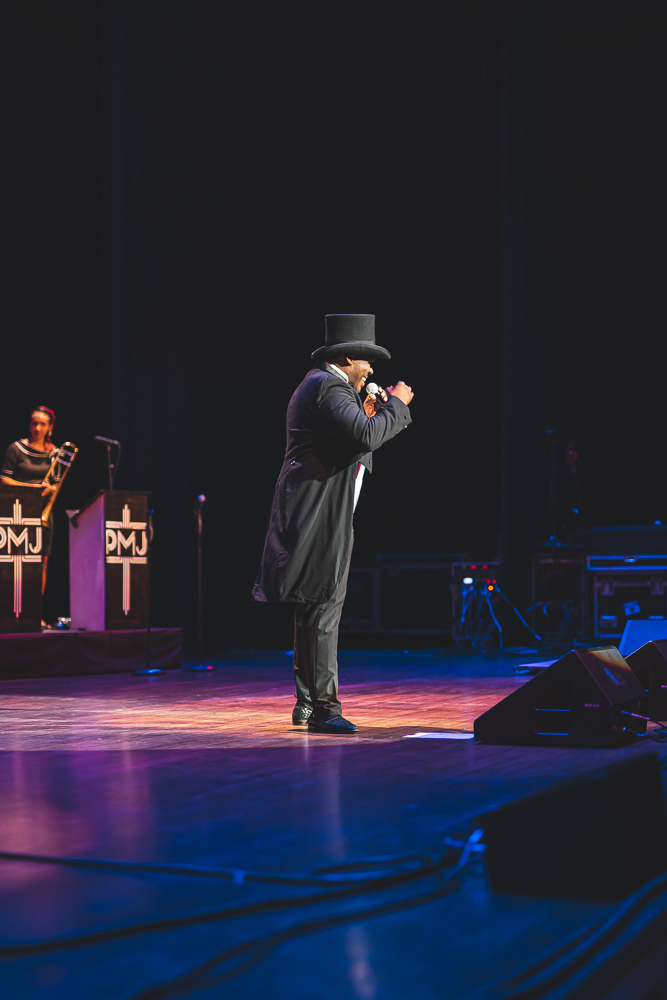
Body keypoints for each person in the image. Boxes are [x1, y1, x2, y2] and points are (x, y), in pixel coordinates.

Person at [253, 314, 414, 734]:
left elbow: (354, 440)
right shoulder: (326, 386)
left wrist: (370, 408)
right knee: (322, 609)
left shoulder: (326, 388)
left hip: (321, 511)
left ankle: (308, 703)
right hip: (318, 515)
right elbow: (366, 438)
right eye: (368, 361)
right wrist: (398, 404)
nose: (372, 370)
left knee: (313, 607)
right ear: (348, 358)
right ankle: (325, 708)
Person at [1, 406, 59, 596]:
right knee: (16, 561)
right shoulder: (16, 448)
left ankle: (36, 613)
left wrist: (50, 489)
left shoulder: (54, 454)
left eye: (42, 424)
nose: (38, 428)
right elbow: (4, 480)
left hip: (43, 513)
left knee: (41, 562)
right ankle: (13, 612)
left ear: (50, 427)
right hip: (17, 513)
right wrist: (33, 489)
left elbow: (57, 484)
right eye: (34, 423)